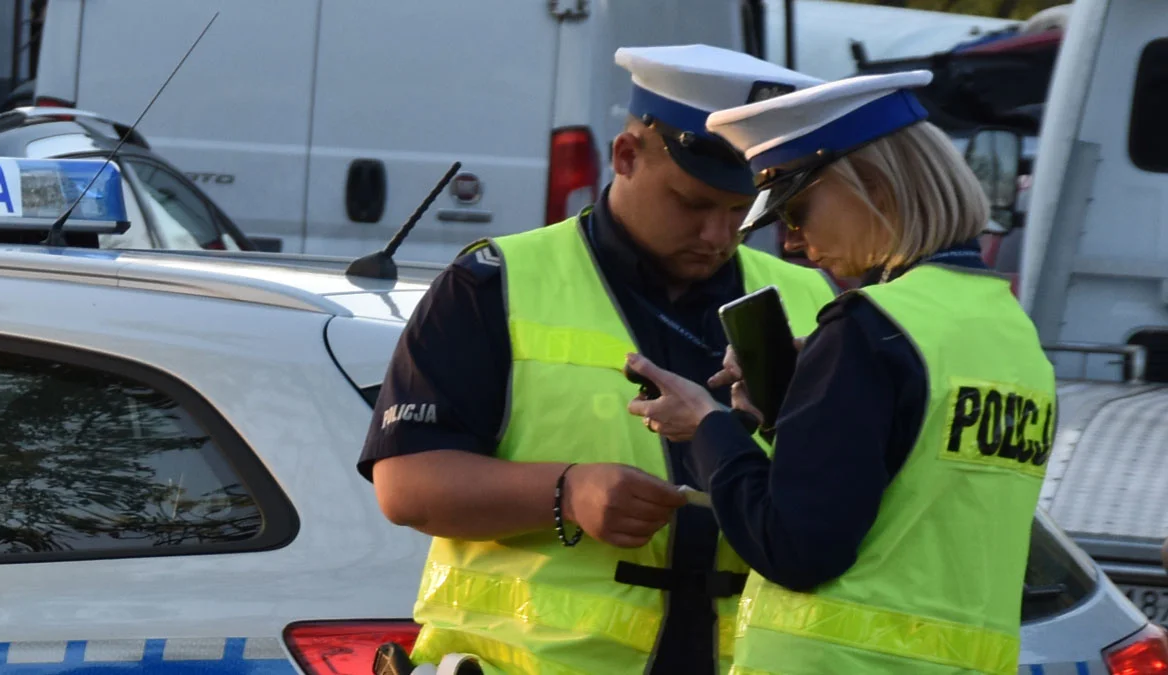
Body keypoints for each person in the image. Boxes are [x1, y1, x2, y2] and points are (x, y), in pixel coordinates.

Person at [358, 45, 837, 675]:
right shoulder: (494, 282)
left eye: (739, 212)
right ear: (626, 157)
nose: (718, 237)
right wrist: (566, 491)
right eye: (693, 205)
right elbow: (405, 486)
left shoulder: (811, 300)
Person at [626, 70, 1058, 674]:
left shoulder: (867, 328)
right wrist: (802, 411)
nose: (795, 243)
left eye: (798, 210)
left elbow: (796, 547)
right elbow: (916, 504)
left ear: (875, 188)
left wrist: (707, 428)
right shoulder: (1009, 332)